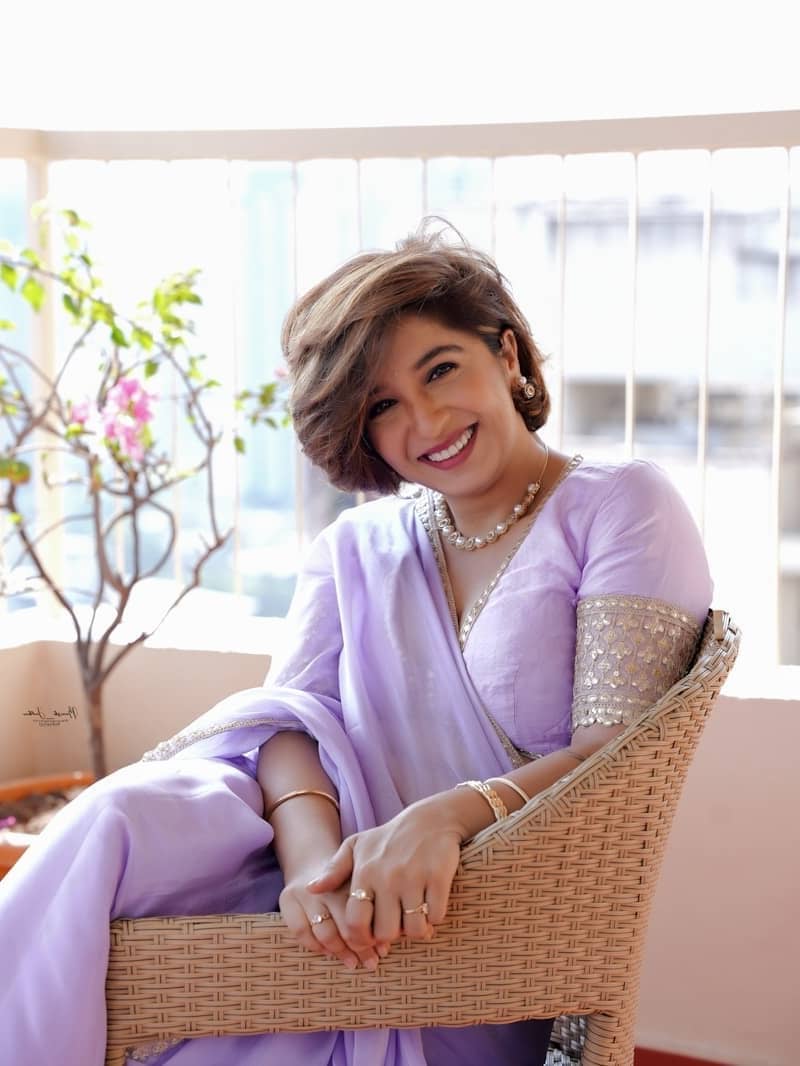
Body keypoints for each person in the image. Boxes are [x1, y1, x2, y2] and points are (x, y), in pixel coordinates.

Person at [0, 219, 713, 1066]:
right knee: (111, 818)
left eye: (441, 370)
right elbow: (288, 725)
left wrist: (445, 818)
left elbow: (616, 758)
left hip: (477, 906)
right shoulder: (356, 546)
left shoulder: (618, 505)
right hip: (317, 867)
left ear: (509, 357)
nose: (427, 419)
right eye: (382, 406)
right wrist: (311, 866)